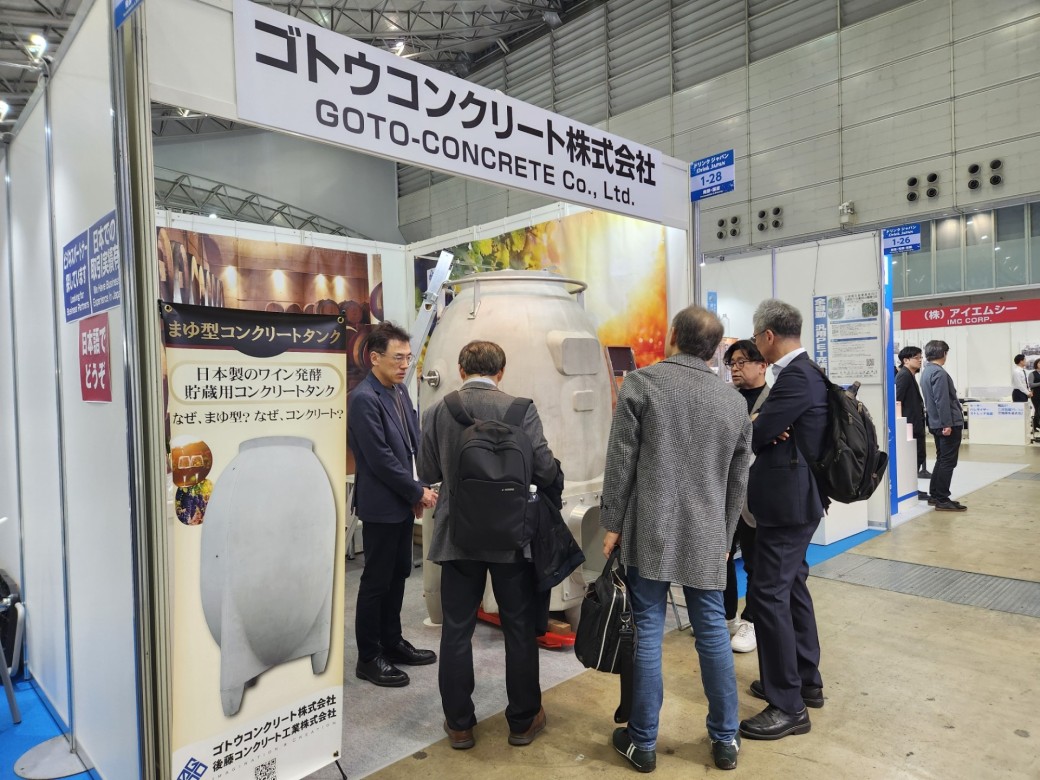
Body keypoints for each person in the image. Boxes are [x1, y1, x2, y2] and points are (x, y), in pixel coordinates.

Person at [601, 305, 751, 772]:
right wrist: (726, 535)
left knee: (648, 630)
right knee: (712, 631)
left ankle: (642, 742)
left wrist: (612, 523)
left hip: (651, 526)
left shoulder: (642, 384)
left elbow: (621, 461)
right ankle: (725, 738)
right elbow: (737, 481)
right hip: (707, 532)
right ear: (716, 349)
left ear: (672, 336)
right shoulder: (733, 402)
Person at [419, 340, 559, 750]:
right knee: (519, 628)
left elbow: (426, 470)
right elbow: (544, 468)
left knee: (457, 630)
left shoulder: (438, 411)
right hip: (512, 537)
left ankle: (460, 724)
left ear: (462, 370)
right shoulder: (521, 408)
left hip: (457, 536)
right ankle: (523, 721)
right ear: (501, 372)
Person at [739, 299, 828, 742]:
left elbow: (753, 434)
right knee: (791, 588)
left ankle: (788, 705)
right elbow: (766, 430)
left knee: (768, 593)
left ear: (769, 336)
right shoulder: (806, 374)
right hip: (797, 501)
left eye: (757, 338)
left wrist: (759, 421)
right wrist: (765, 424)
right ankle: (805, 681)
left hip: (788, 505)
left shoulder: (795, 378)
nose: (757, 345)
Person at [348, 322, 439, 687]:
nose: (405, 365)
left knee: (399, 573)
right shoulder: (363, 399)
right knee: (376, 581)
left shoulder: (399, 390)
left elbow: (412, 443)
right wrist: (415, 492)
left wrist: (418, 487)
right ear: (375, 358)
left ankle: (392, 642)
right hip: (381, 504)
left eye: (408, 357)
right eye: (398, 358)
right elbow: (380, 458)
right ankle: (369, 657)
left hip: (401, 499)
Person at [721, 339, 769, 654]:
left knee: (754, 560)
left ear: (762, 365)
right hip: (725, 492)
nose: (735, 369)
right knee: (722, 557)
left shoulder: (775, 400)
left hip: (757, 494)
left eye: (742, 362)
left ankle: (752, 620)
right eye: (732, 363)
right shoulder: (726, 399)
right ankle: (726, 616)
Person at [920, 340, 966, 512]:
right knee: (948, 461)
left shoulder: (927, 371)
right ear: (944, 353)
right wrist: (947, 423)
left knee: (942, 459)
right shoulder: (939, 372)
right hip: (948, 423)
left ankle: (935, 495)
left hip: (935, 422)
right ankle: (942, 498)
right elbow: (942, 400)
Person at [895, 346, 931, 483]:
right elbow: (897, 400)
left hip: (914, 424)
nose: (920, 360)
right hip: (910, 425)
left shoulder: (909, 375)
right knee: (914, 457)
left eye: (921, 357)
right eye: (916, 358)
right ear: (906, 360)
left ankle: (912, 487)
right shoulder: (904, 376)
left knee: (917, 456)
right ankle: (909, 487)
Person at [1029, 358, 1040, 433]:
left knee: (1038, 410)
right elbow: (1031, 384)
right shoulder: (1032, 374)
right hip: (1036, 394)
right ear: (1036, 364)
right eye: (1039, 363)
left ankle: (1035, 425)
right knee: (1038, 409)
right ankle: (1035, 425)